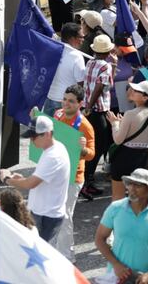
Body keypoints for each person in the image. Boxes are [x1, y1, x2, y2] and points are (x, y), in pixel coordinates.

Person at [0, 115, 70, 244]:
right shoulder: (53, 149)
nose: (32, 140)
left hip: (46, 216)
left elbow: (30, 184)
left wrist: (7, 179)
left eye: (34, 137)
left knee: (42, 256)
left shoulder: (53, 156)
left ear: (47, 134)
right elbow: (38, 180)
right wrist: (23, 179)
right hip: (45, 213)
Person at [95, 168, 148, 284]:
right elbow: (100, 239)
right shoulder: (115, 208)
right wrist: (116, 265)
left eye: (138, 185)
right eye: (130, 184)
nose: (132, 189)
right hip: (116, 277)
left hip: (144, 279)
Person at [53, 85, 95, 260]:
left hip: (73, 177)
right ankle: (54, 249)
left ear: (80, 104)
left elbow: (92, 155)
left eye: (71, 101)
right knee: (54, 213)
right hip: (56, 172)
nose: (66, 103)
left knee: (64, 215)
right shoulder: (58, 115)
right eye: (64, 99)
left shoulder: (84, 125)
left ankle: (68, 255)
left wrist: (83, 149)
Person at [107, 80, 148, 202]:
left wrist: (114, 124)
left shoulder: (130, 114)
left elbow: (118, 140)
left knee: (117, 197)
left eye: (136, 91)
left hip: (124, 157)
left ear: (145, 97)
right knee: (138, 196)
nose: (131, 91)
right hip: (142, 157)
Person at [83, 34, 115, 196]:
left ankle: (87, 179)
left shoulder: (90, 62)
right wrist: (90, 105)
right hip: (98, 109)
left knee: (92, 144)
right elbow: (101, 86)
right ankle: (87, 180)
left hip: (89, 109)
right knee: (99, 146)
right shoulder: (105, 65)